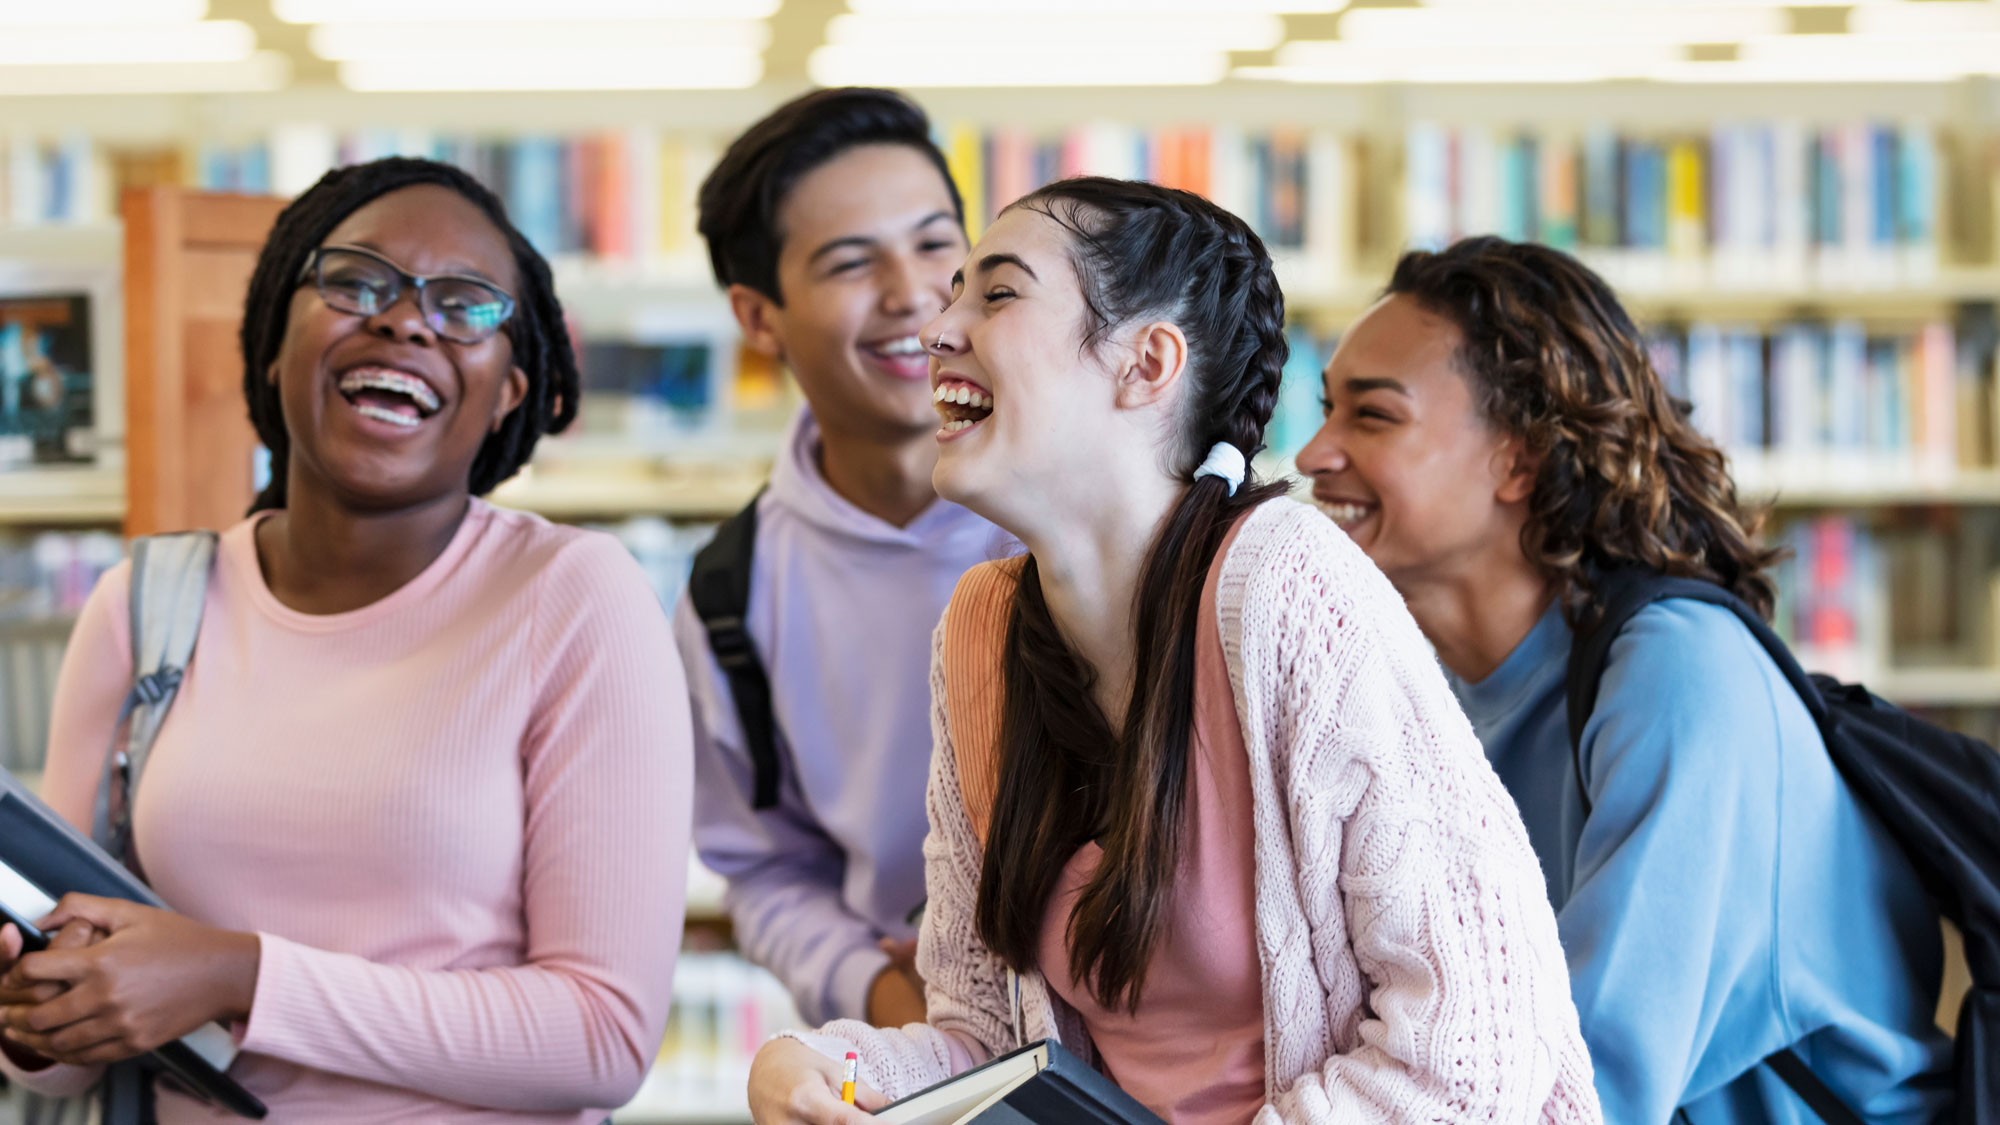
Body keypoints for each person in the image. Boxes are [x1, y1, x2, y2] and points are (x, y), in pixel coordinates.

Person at [745, 178, 1602, 1125]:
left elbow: (1471, 1054)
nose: (938, 329)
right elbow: (988, 1044)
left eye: (995, 294)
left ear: (1146, 363)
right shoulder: (982, 629)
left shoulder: (1288, 584)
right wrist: (820, 1063)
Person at [0, 157, 692, 1122]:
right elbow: (67, 1039)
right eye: (357, 282)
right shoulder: (146, 605)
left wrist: (239, 975)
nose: (406, 320)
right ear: (274, 347)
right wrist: (38, 1016)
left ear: (507, 392)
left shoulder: (573, 599)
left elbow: (601, 1035)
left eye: (464, 305)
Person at [1295, 236, 1955, 1125]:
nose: (1310, 454)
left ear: (1519, 458)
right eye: (1326, 409)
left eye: (1371, 417)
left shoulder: (1682, 675)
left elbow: (1581, 1087)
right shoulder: (1432, 694)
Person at [681, 86, 1006, 1030]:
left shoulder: (1098, 512)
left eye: (938, 242)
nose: (913, 291)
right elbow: (764, 867)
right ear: (758, 316)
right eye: (851, 261)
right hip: (917, 1042)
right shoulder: (728, 593)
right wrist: (885, 996)